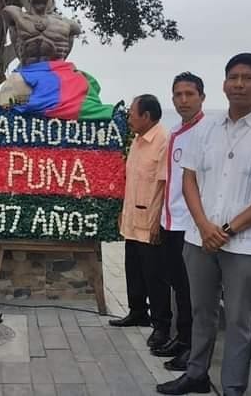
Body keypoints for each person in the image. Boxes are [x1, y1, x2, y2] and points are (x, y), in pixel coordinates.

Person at [156, 53, 251, 395]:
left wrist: (227, 230)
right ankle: (196, 375)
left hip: (246, 246)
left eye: (248, 78)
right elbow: (189, 180)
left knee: (237, 318)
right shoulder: (205, 129)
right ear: (223, 84)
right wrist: (204, 226)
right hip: (199, 240)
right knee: (201, 311)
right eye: (233, 77)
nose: (239, 84)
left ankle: (233, 387)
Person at [150, 72, 207, 371]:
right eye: (178, 95)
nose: (183, 100)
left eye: (190, 94)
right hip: (169, 222)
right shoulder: (174, 133)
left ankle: (191, 347)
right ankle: (181, 338)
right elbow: (169, 182)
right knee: (176, 284)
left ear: (201, 97)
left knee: (189, 291)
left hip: (191, 226)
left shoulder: (207, 132)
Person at [108, 94, 171, 351]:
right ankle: (137, 312)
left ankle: (161, 325)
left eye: (132, 114)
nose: (128, 118)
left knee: (154, 276)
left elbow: (164, 187)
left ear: (146, 116)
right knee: (133, 268)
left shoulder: (163, 141)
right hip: (132, 218)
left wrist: (157, 222)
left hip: (150, 221)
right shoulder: (136, 140)